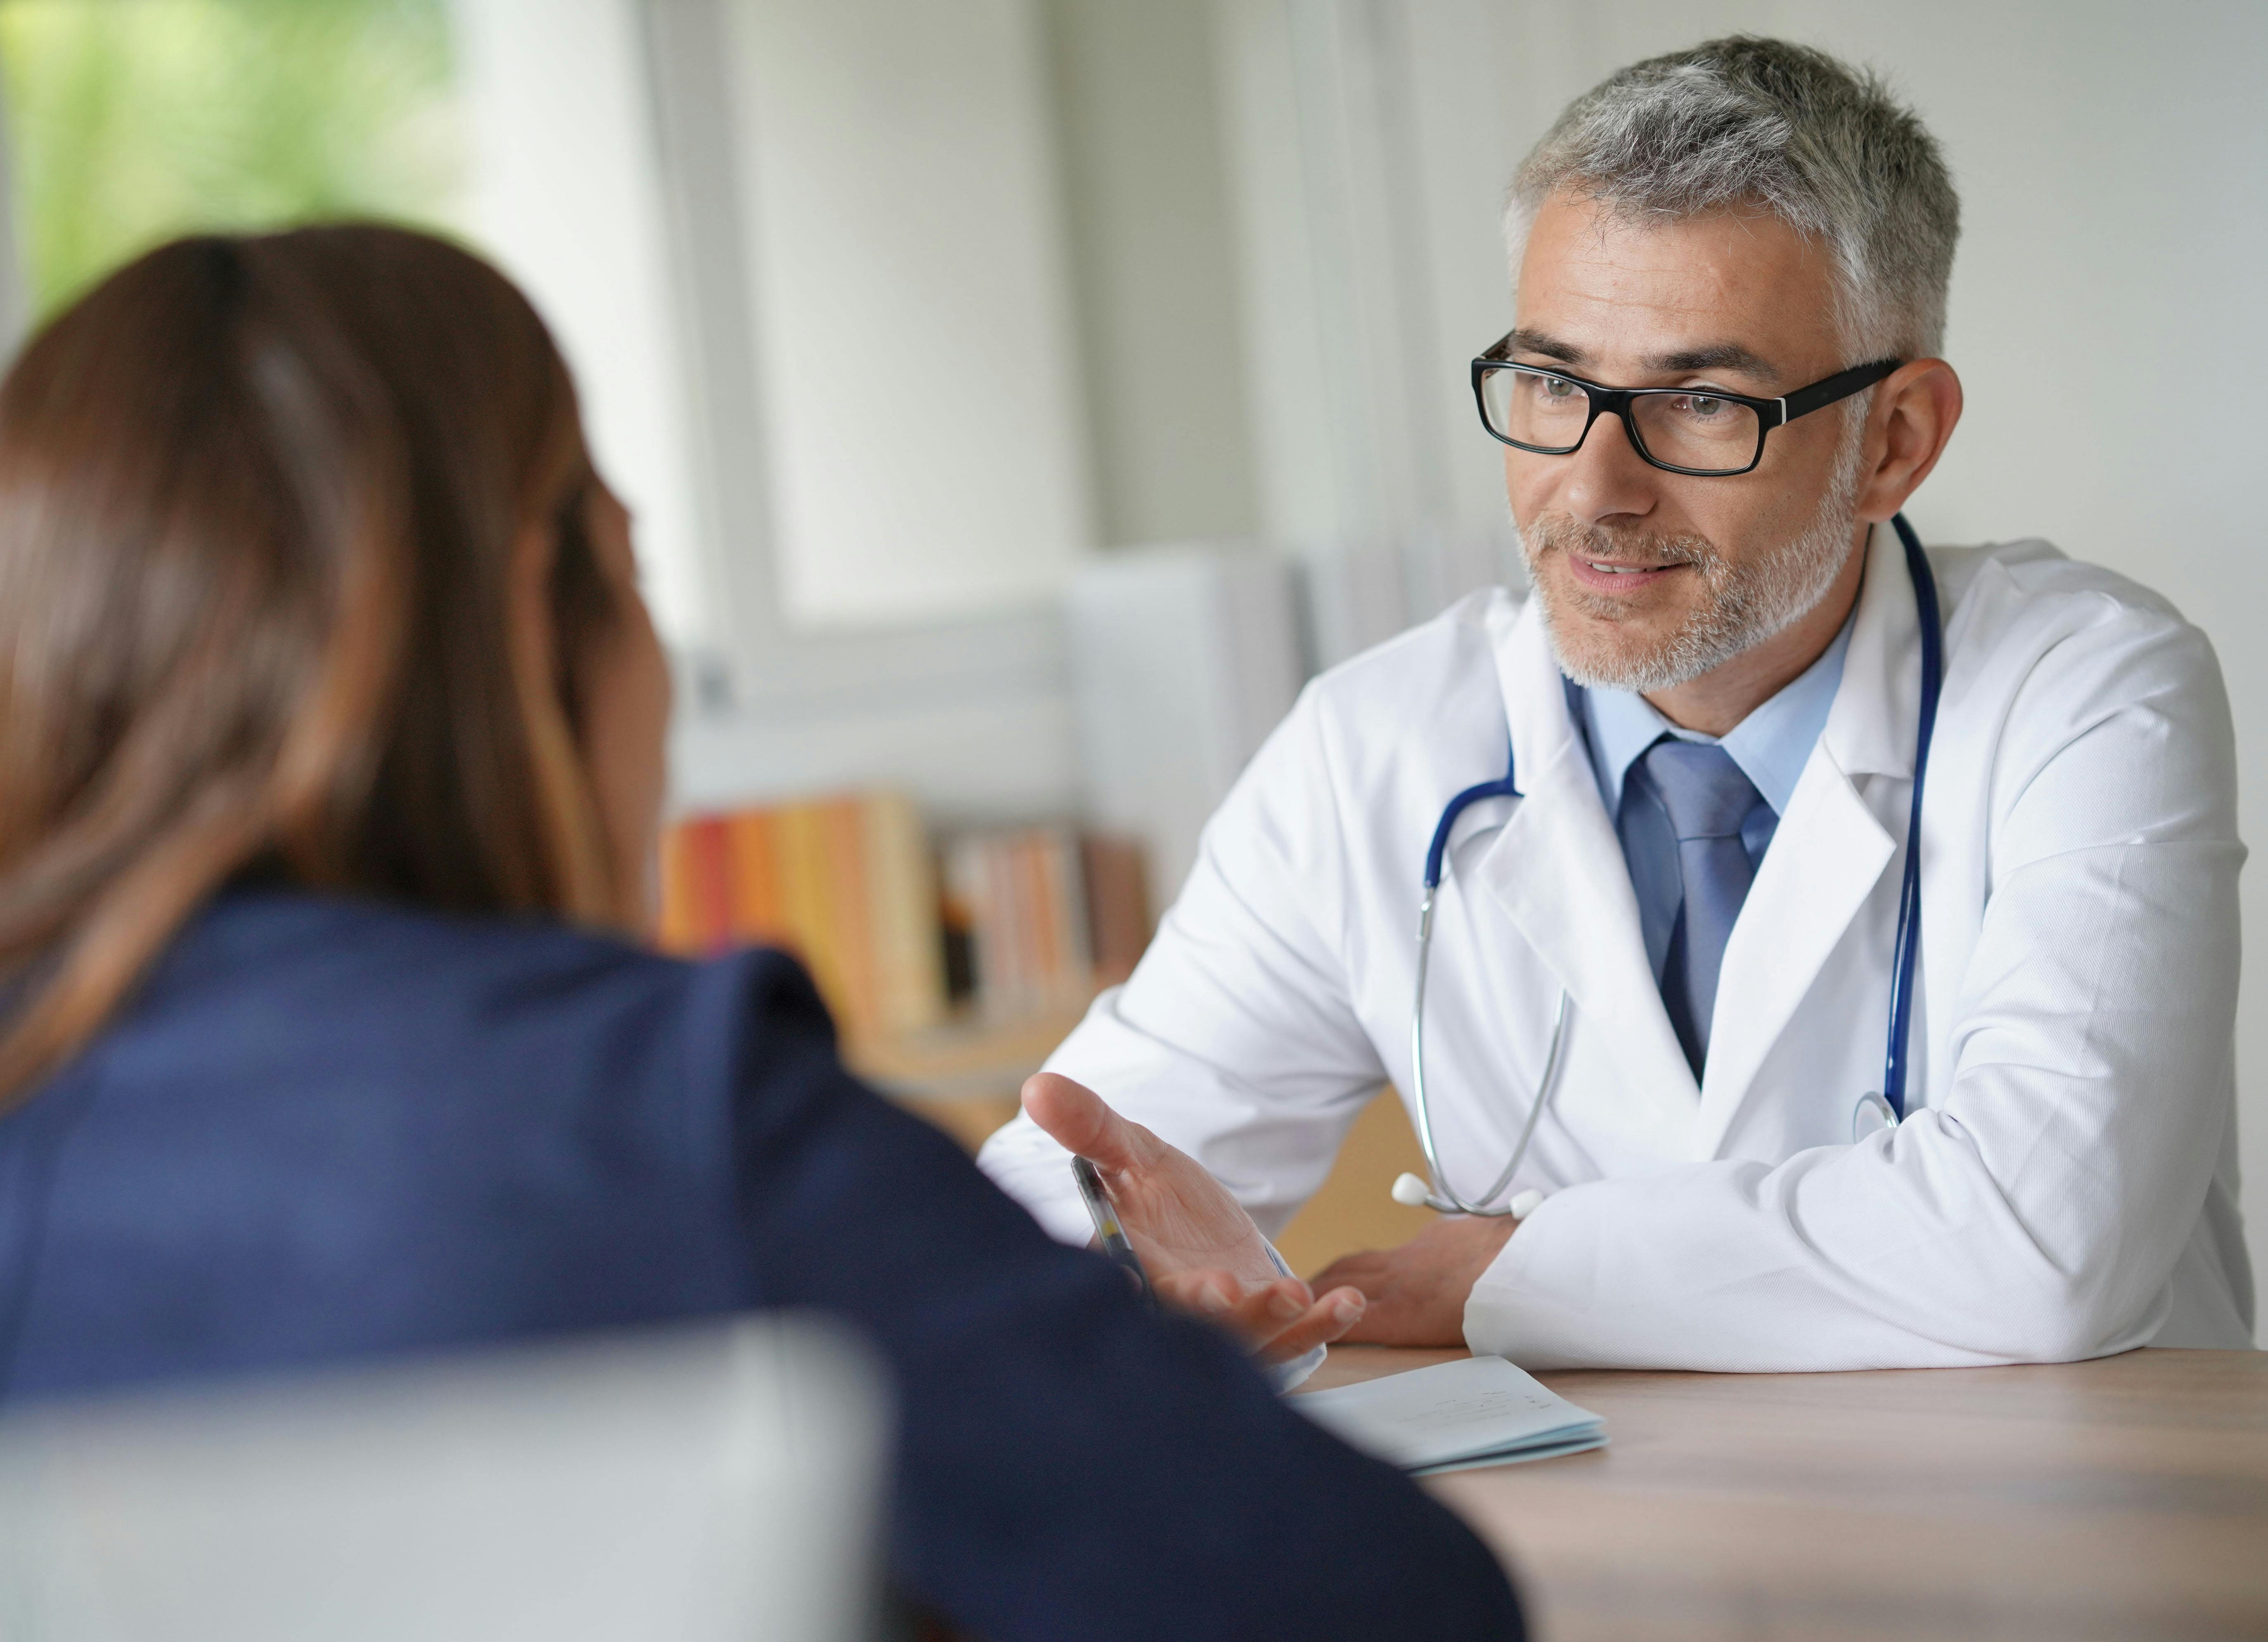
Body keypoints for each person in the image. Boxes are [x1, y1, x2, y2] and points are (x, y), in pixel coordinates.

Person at [0, 227, 1520, 1640]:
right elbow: (1392, 1603)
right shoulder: (661, 1109)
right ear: (540, 620)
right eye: (634, 562)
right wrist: (1139, 1403)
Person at [981, 36, 2255, 1370]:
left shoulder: (2091, 691)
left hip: (2072, 1543)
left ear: (1895, 441)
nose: (1592, 490)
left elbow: (2050, 1249)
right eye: (1550, 383)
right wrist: (1124, 1275)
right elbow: (1060, 1171)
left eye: (1702, 402)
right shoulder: (1376, 748)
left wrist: (1514, 1275)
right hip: (1616, 1536)